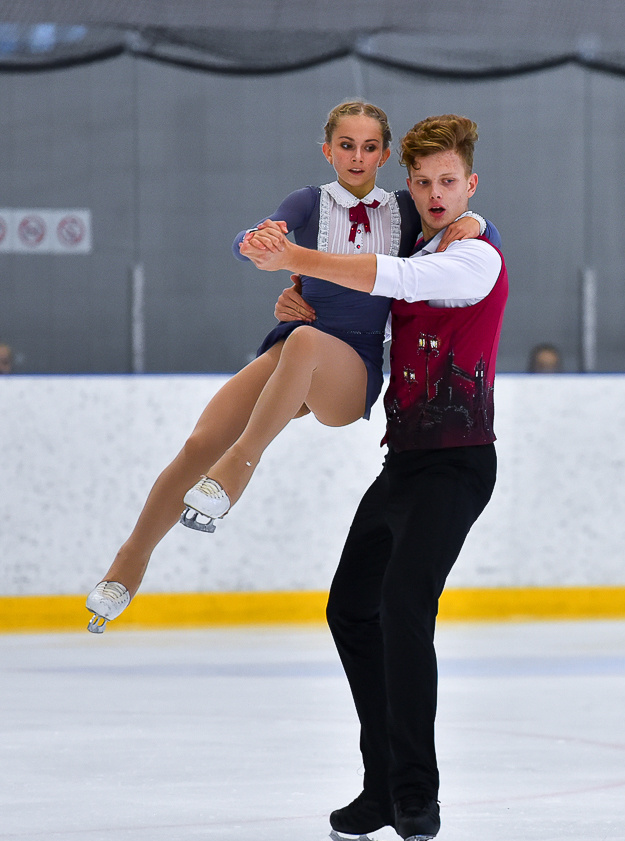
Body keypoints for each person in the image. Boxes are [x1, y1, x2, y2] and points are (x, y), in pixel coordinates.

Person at [85, 100, 495, 634]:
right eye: (346, 145)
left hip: (352, 366)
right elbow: (251, 240)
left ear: (386, 155)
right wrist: (257, 245)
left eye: (370, 147)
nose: (357, 156)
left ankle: (238, 470)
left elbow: (461, 222)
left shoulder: (406, 205)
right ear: (327, 150)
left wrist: (476, 219)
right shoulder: (310, 203)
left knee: (303, 343)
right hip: (297, 343)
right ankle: (130, 561)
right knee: (199, 442)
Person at [241, 114, 508, 841]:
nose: (432, 193)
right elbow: (365, 311)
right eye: (420, 182)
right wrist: (295, 301)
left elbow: (393, 278)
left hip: (457, 464)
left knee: (400, 607)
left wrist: (297, 254)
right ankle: (381, 785)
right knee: (351, 610)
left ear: (469, 185)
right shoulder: (426, 241)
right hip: (403, 464)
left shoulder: (472, 258)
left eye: (447, 182)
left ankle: (416, 797)